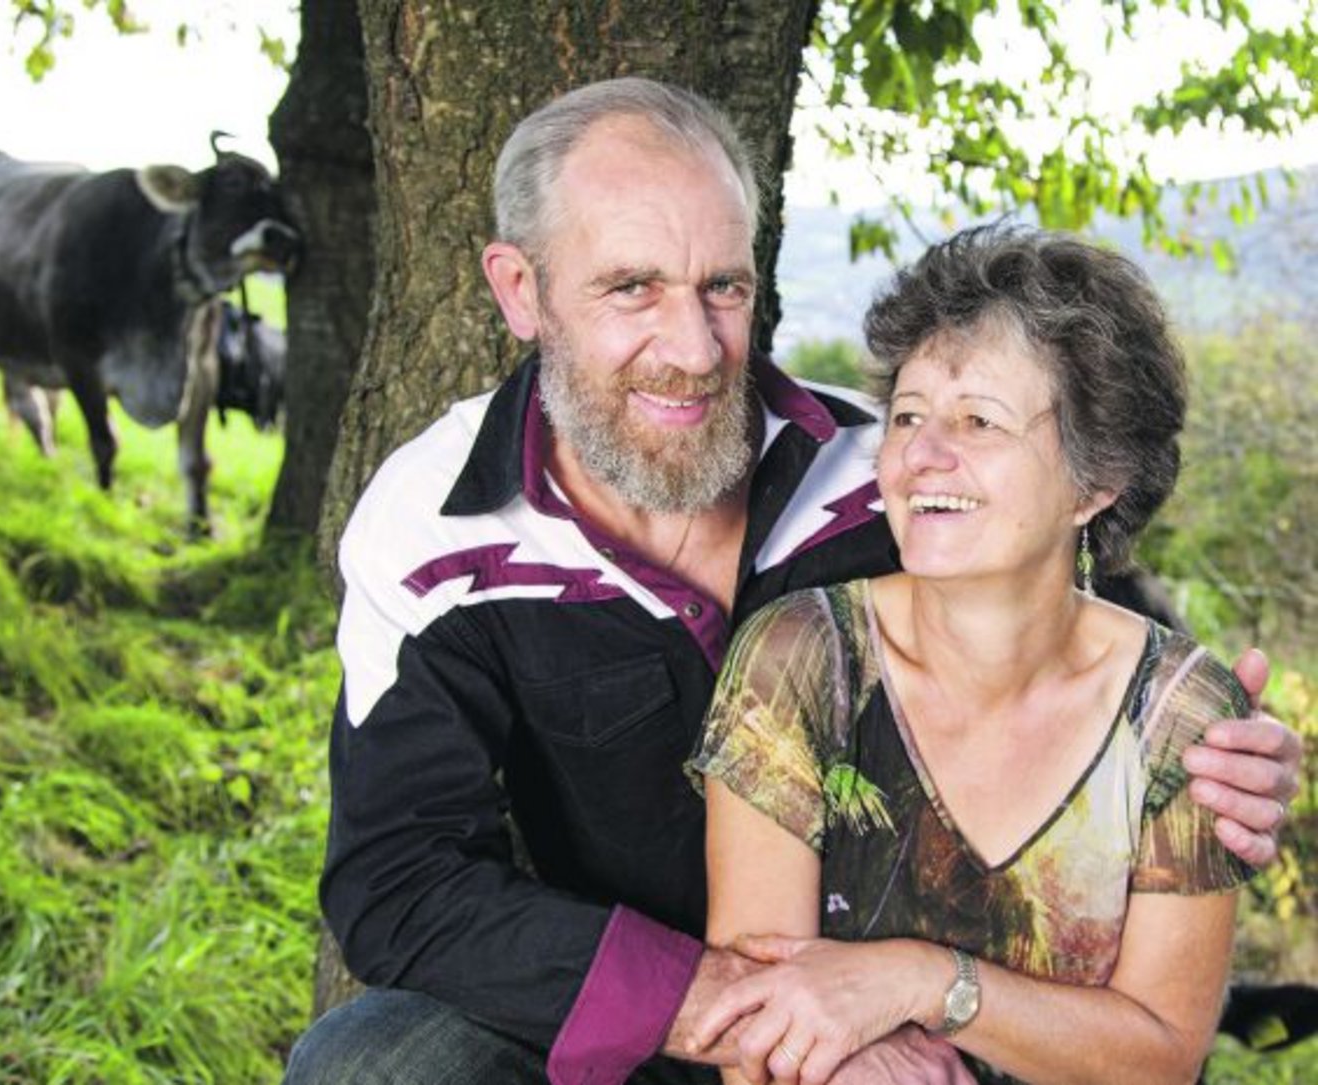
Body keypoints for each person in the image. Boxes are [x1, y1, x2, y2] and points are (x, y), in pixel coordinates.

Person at [283, 79, 1301, 1085]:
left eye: (721, 286)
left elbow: (1079, 619)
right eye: (631, 286)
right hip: (630, 1010)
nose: (691, 350)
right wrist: (766, 1012)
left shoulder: (882, 474)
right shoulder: (432, 529)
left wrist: (1212, 756)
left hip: (933, 1002)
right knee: (372, 1064)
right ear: (520, 289)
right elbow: (400, 881)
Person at [690, 225, 1262, 1085]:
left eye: (980, 421)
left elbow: (1160, 1059)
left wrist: (923, 981)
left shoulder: (1178, 717)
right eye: (909, 415)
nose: (921, 456)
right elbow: (761, 1033)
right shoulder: (802, 660)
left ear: (1095, 481)